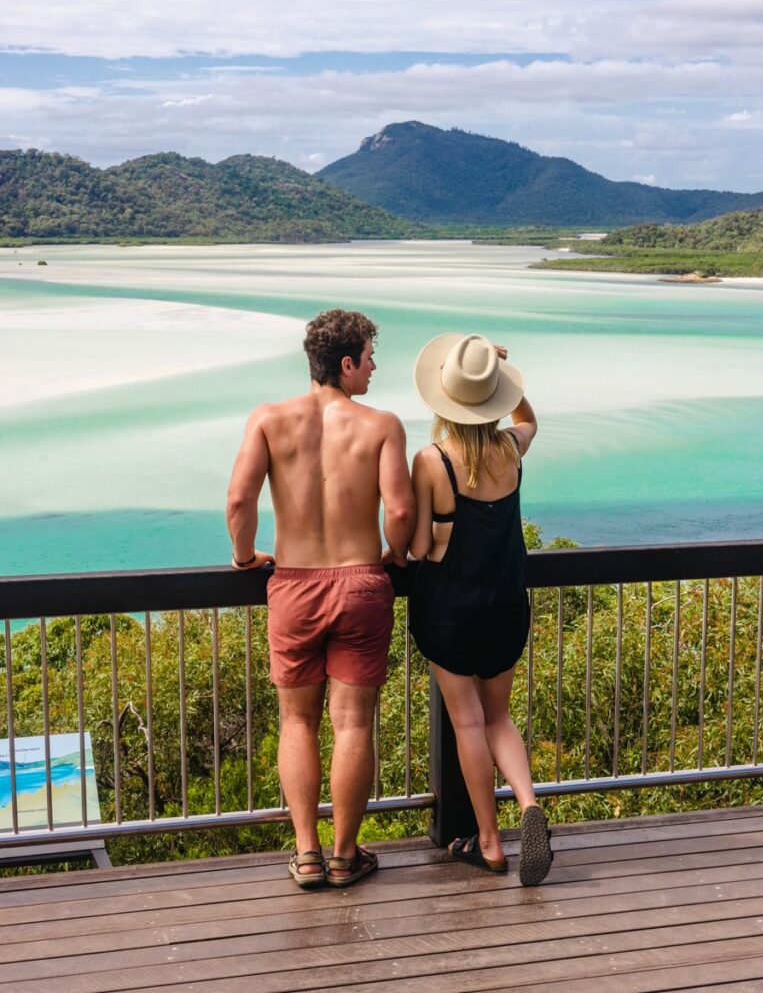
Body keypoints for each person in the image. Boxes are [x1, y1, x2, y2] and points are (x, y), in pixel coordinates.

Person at [226, 309, 414, 890]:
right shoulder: (382, 425)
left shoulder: (268, 419)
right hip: (360, 582)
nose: (376, 368)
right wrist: (396, 555)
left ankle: (306, 853)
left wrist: (243, 558)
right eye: (370, 357)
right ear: (347, 363)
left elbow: (239, 501)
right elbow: (401, 511)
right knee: (353, 723)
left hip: (295, 584)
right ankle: (344, 855)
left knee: (297, 721)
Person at [409, 332, 553, 887]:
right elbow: (530, 421)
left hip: (450, 610)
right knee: (499, 717)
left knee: (467, 721)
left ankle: (489, 844)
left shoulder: (431, 461)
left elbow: (421, 547)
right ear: (491, 399)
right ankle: (528, 804)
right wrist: (503, 377)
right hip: (505, 606)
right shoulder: (511, 449)